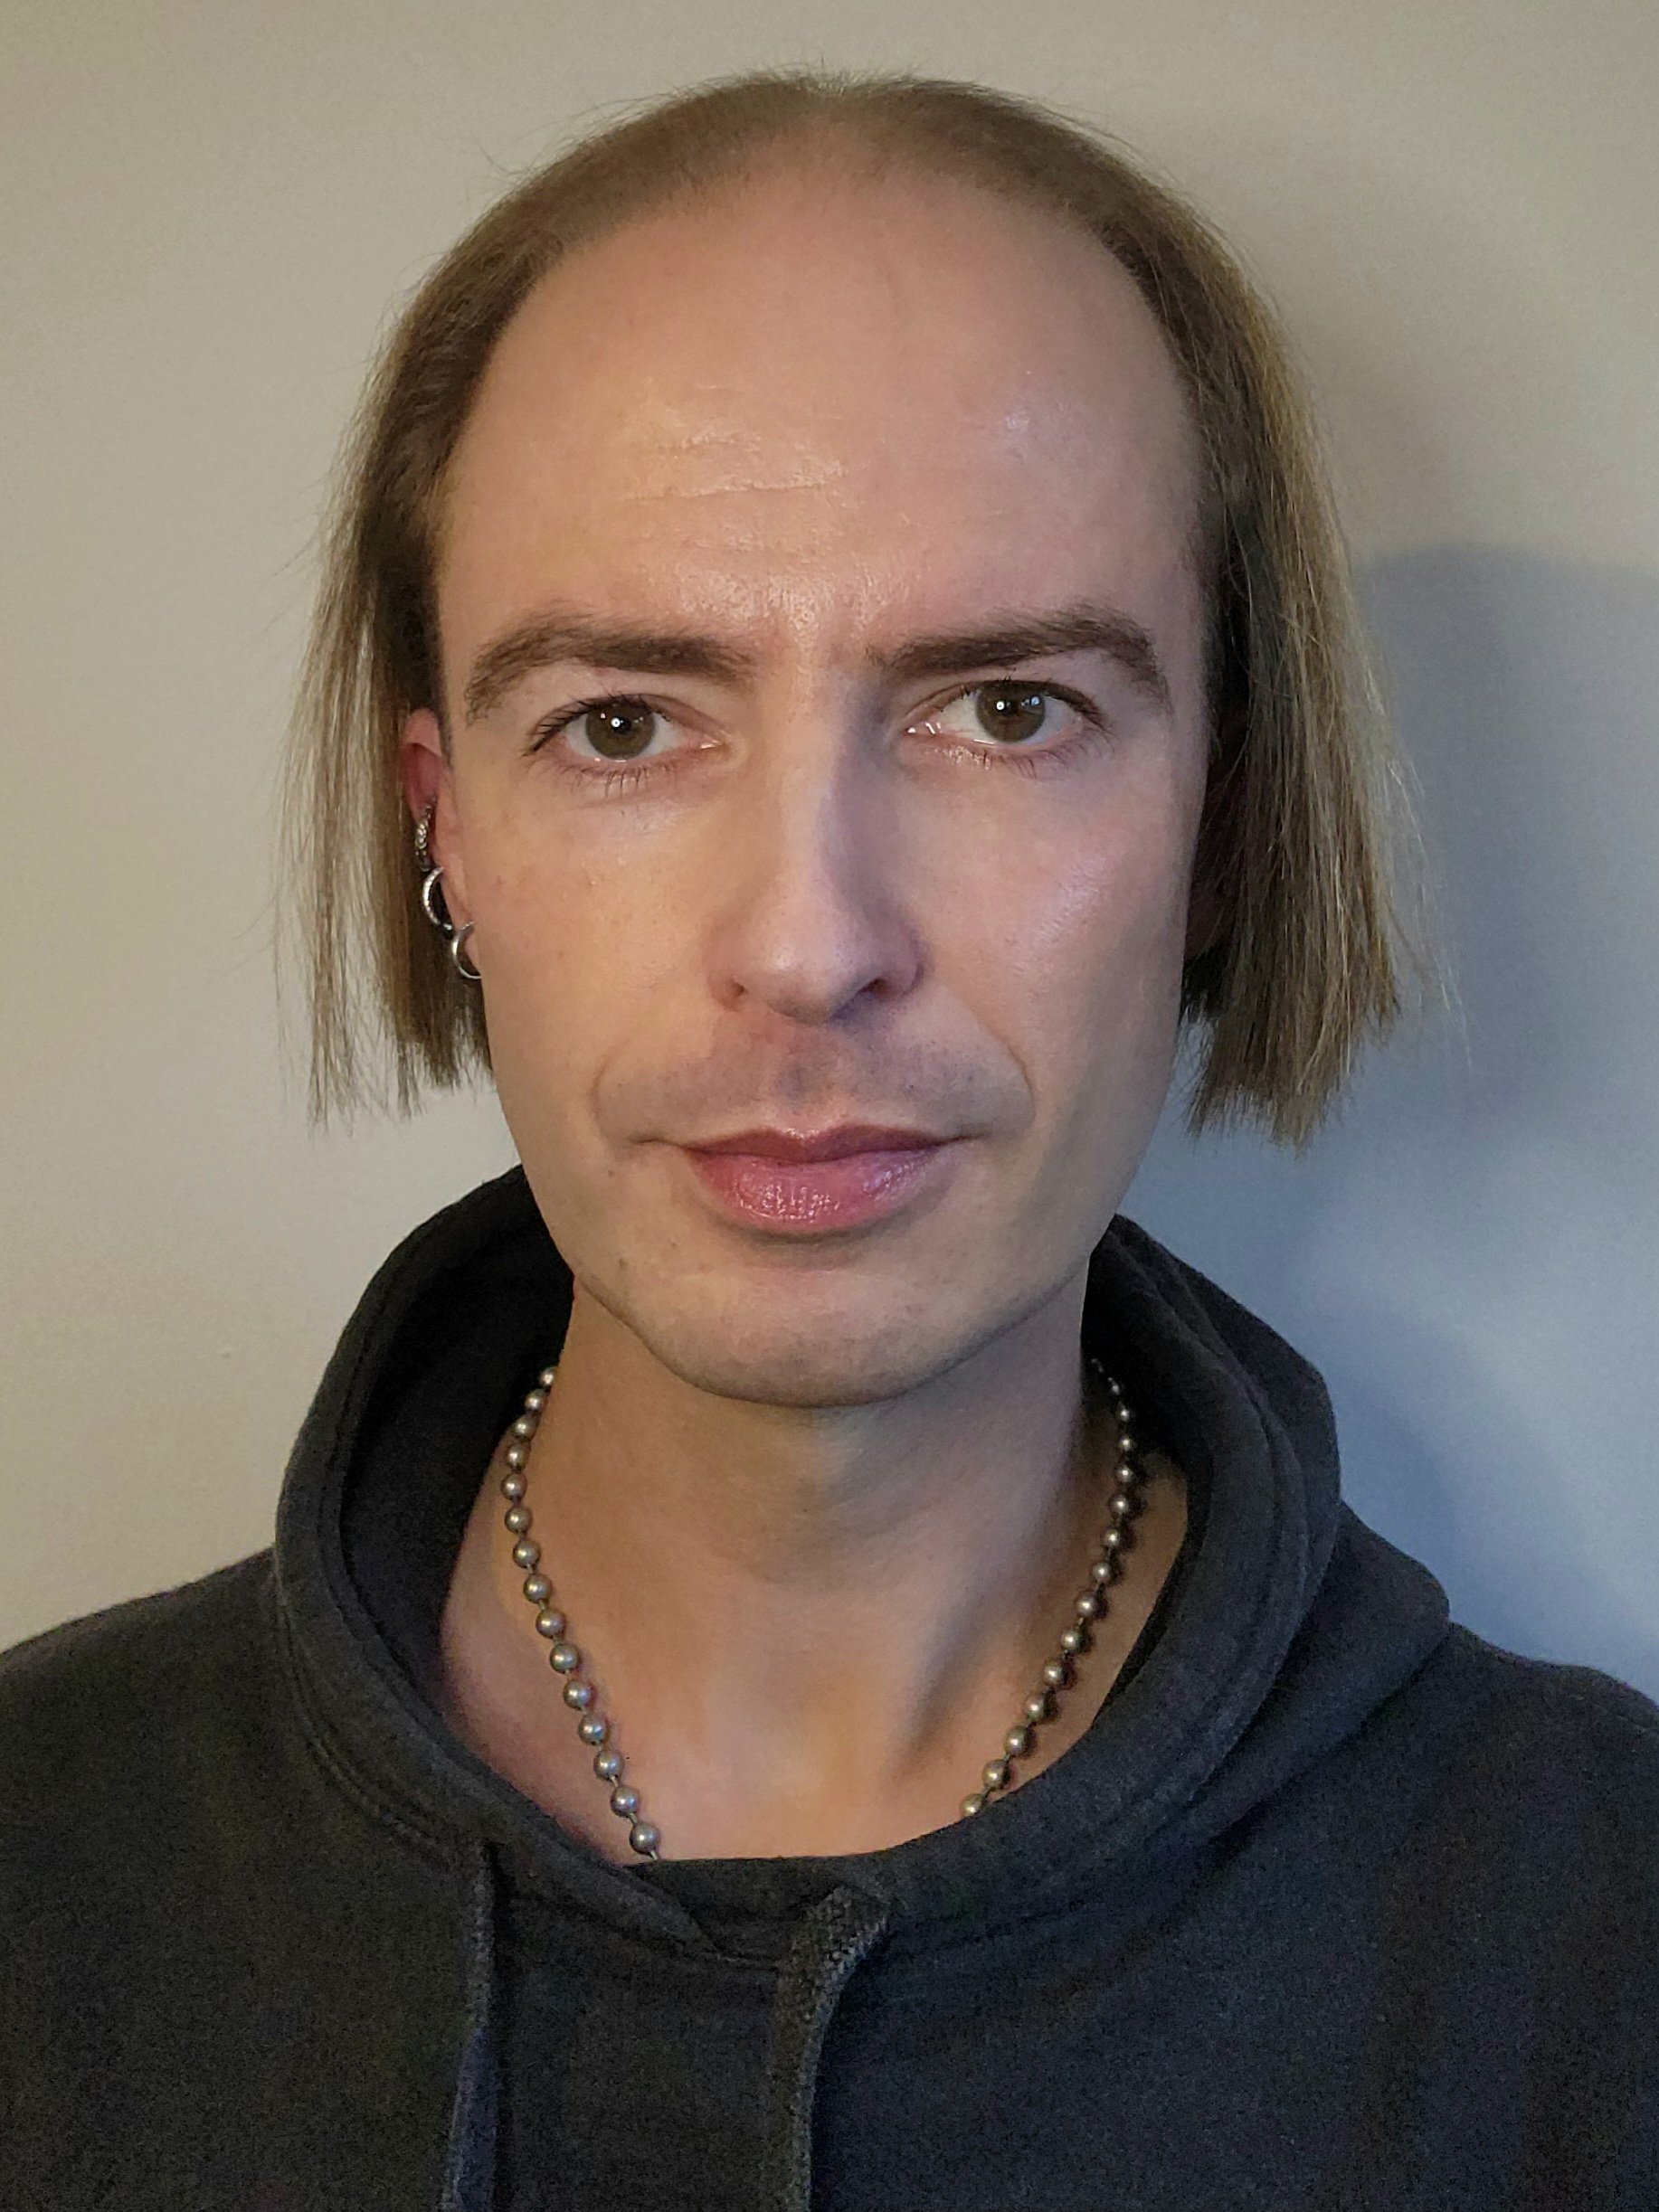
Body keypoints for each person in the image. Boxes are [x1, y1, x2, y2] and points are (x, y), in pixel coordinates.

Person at [3, 66, 1655, 2212]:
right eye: (619, 723)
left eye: (1005, 709)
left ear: (1222, 827)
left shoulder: (1597, 1953)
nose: (805, 944)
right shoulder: (44, 1865)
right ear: (447, 835)